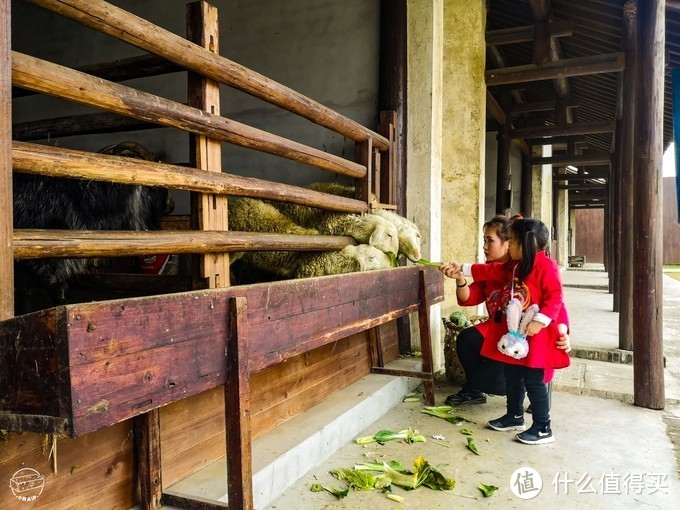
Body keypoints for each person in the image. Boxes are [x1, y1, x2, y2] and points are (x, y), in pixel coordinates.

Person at [441, 218, 570, 445]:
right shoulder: (512, 267)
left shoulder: (546, 266)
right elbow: (489, 271)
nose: (509, 246)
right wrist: (462, 269)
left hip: (536, 338)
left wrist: (541, 321)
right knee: (513, 376)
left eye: (512, 241)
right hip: (515, 337)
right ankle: (514, 416)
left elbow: (556, 298)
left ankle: (542, 427)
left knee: (533, 380)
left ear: (526, 243)